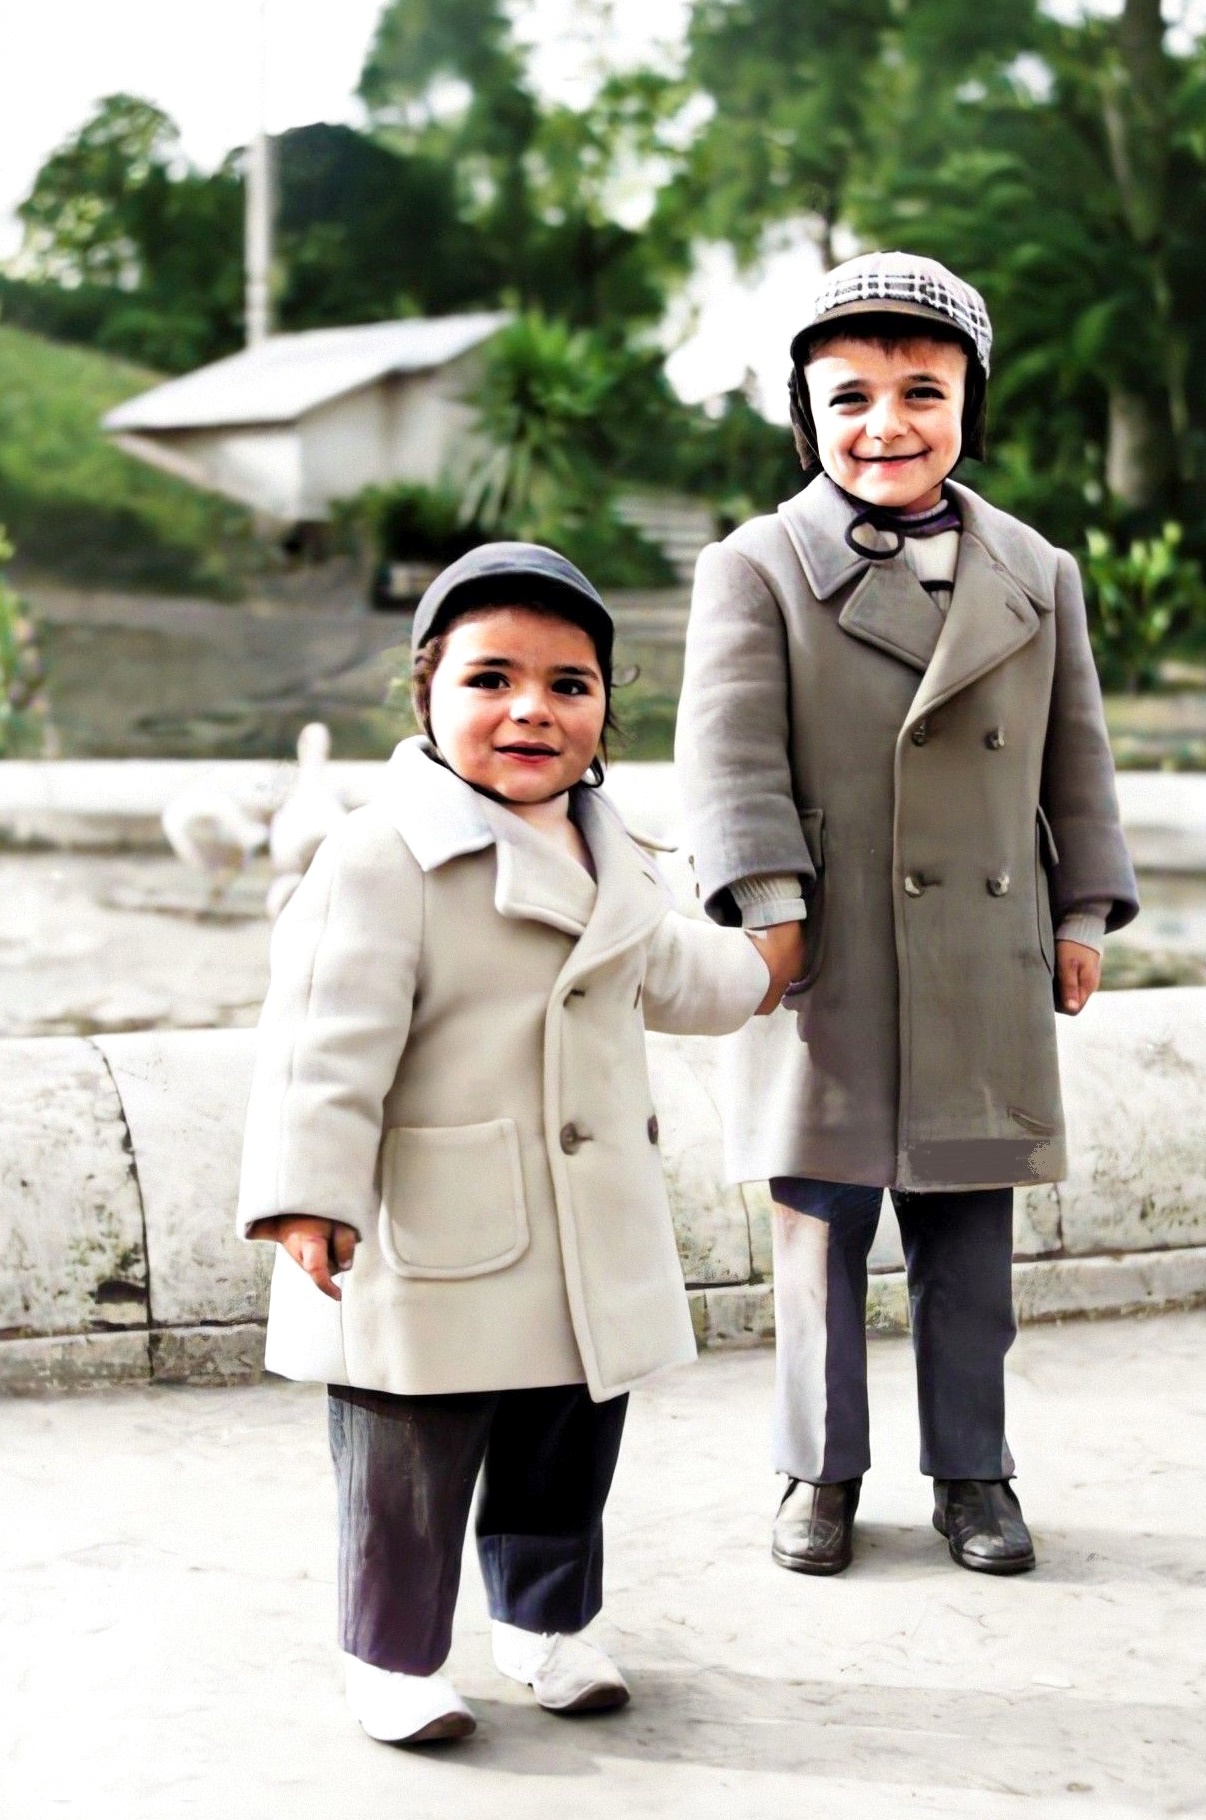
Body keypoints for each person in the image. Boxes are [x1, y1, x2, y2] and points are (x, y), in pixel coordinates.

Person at [237, 542, 801, 1746]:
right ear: (427, 696)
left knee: (567, 1437)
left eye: (570, 683)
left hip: (581, 1229)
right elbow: (321, 1046)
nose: (532, 710)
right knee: (411, 1459)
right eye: (491, 679)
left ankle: (546, 1624)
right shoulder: (382, 856)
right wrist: (307, 1193)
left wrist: (768, 965)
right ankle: (390, 1655)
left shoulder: (617, 855)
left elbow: (680, 977)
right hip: (431, 1220)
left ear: (605, 708)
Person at [675, 251, 1138, 1580]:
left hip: (981, 952)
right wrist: (768, 912)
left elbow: (1076, 759)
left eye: (922, 393)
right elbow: (726, 759)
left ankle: (974, 1473)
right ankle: (817, 1472)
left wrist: (1082, 913)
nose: (886, 426)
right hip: (822, 956)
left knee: (969, 1240)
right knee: (817, 1231)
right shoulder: (754, 565)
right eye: (851, 398)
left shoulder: (1035, 569)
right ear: (806, 415)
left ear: (967, 406)